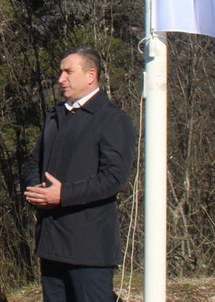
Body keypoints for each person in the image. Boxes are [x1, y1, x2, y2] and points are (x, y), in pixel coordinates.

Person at [22, 48, 136, 302]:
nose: (61, 78)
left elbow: (114, 178)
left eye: (68, 72)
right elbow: (32, 161)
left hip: (89, 247)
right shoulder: (56, 115)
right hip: (51, 242)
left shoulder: (112, 119)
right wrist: (34, 189)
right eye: (61, 72)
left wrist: (63, 195)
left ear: (90, 75)